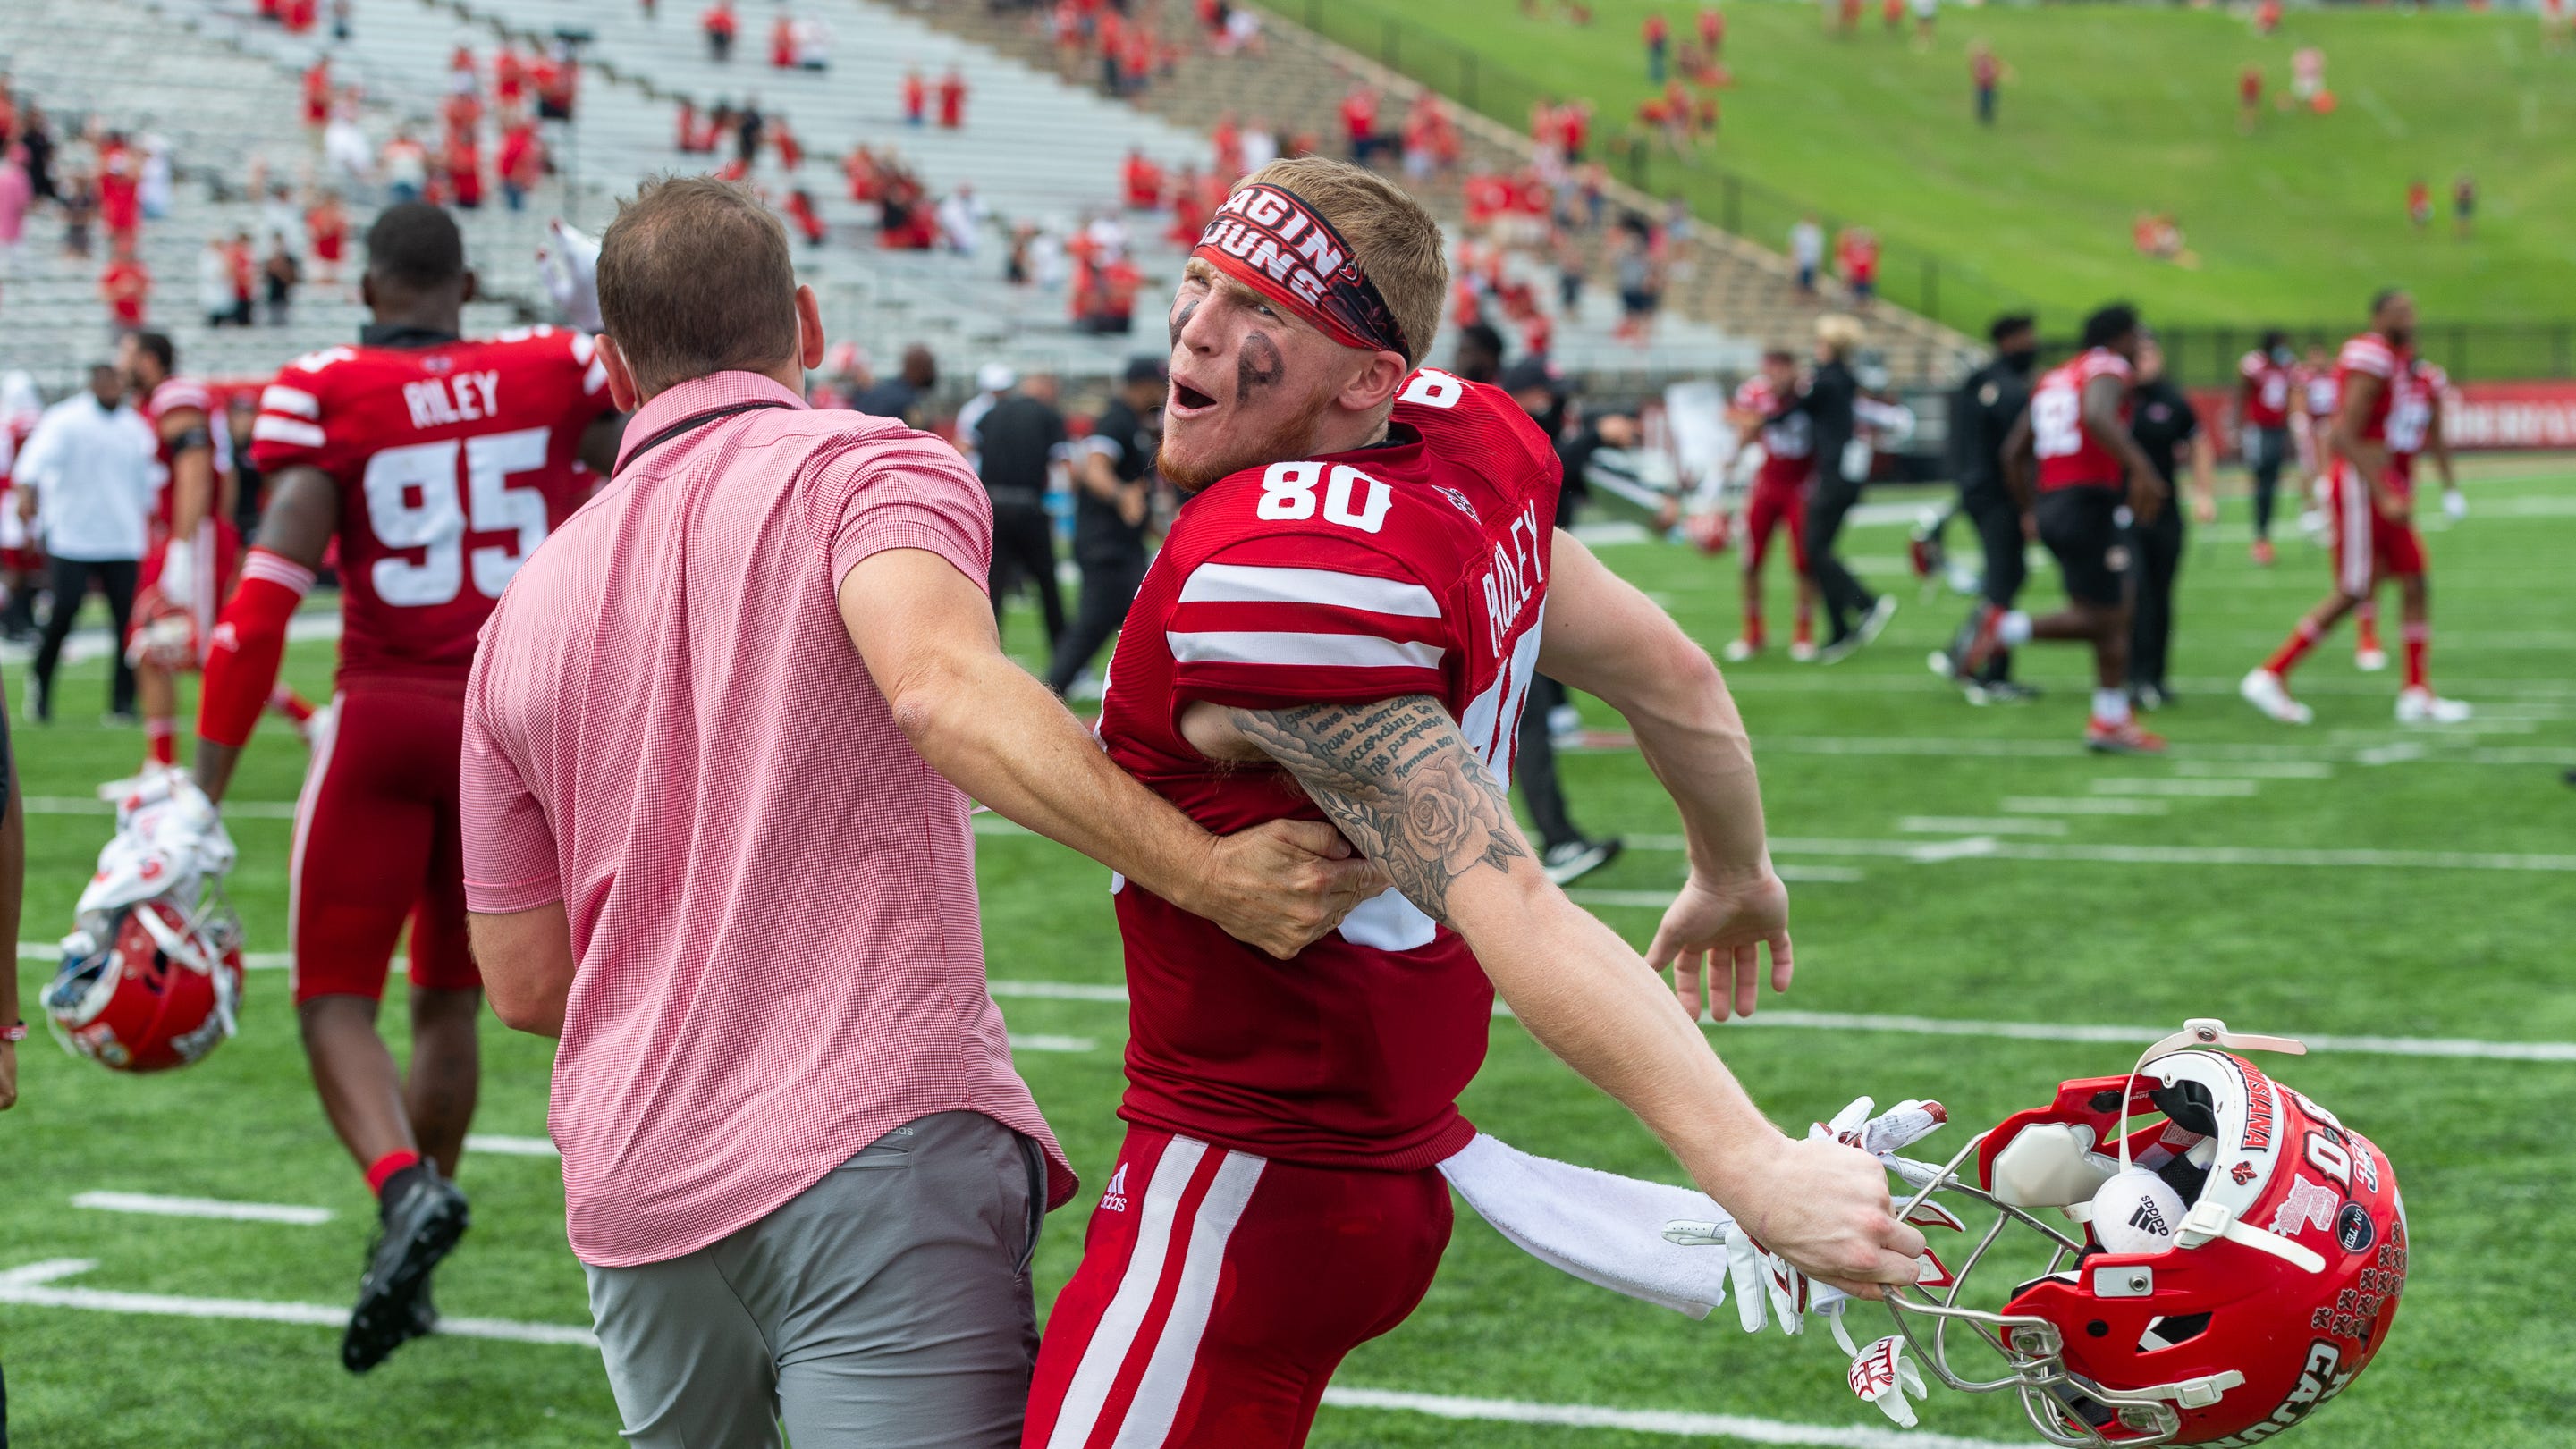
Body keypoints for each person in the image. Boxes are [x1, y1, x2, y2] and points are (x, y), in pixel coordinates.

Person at [458, 174, 1376, 1446]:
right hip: (868, 1133)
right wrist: (1209, 876)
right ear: (809, 324)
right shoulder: (866, 465)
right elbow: (941, 688)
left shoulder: (521, 609)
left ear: (612, 370)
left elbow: (521, 980)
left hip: (634, 1180)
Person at [1024, 157, 1923, 1448]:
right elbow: (1668, 674)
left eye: (1261, 312)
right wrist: (1734, 868)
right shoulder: (1459, 446)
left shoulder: (1284, 574)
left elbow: (1513, 896)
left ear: (1369, 381)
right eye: (1202, 283)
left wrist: (1752, 1165)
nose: (1198, 327)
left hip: (1244, 1181)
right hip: (1384, 1165)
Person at [189, 203, 628, 1375]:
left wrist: (201, 790)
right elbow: (659, 440)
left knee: (334, 995)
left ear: (369, 286)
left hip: (386, 714)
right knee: (448, 999)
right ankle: (419, 1242)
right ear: (467, 285)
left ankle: (400, 1194)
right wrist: (597, 317)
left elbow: (267, 597)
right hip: (518, 730)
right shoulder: (544, 372)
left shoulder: (329, 389)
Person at [2242, 289, 2470, 727]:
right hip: (2365, 490)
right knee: (2354, 589)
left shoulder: (2404, 365)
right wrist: (2384, 490)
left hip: (2386, 488)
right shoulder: (2373, 357)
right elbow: (2345, 435)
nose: (2411, 317)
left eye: (2413, 309)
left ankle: (2416, 691)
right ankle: (2271, 674)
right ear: (2380, 316)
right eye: (2401, 310)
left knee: (2416, 580)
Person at [1972, 302, 2165, 753]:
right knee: (2109, 616)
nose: (2140, 347)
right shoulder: (2106, 366)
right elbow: (2098, 416)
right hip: (2088, 501)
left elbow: (2012, 454)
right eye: (2137, 337)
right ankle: (2004, 628)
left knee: (2115, 610)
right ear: (2120, 337)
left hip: (2057, 500)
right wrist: (2142, 469)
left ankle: (2110, 719)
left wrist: (2031, 509)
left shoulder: (2056, 376)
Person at [1501, 354, 1626, 884]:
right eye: (1547, 395)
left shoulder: (1527, 420)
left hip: (1523, 585)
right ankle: (1554, 841)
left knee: (1528, 723)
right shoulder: (1508, 427)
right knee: (1521, 726)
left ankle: (1556, 839)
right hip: (1507, 588)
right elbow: (1548, 463)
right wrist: (1597, 435)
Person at [119, 332, 233, 773]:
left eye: (127, 355)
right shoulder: (157, 403)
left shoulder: (176, 397)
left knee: (198, 650)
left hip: (191, 538)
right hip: (181, 535)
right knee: (150, 645)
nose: (122, 364)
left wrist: (184, 548)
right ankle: (160, 765)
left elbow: (197, 474)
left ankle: (308, 721)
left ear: (148, 360)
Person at [17, 364, 156, 723]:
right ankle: (41, 684)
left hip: (123, 536)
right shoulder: (65, 419)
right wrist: (26, 498)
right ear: (92, 383)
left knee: (127, 622)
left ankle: (122, 703)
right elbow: (32, 464)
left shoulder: (134, 425)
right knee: (64, 612)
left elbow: (149, 481)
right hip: (73, 534)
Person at [1774, 313, 1896, 662]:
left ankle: (1866, 603)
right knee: (1818, 549)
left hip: (1835, 475)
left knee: (1814, 548)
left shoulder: (1827, 379)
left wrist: (1761, 417)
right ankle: (1840, 627)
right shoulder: (1840, 378)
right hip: (1842, 473)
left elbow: (1791, 412)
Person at [1930, 313, 2038, 702]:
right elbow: (2016, 456)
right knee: (2003, 581)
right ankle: (1987, 670)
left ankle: (1962, 653)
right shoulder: (2008, 388)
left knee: (2005, 577)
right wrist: (2028, 505)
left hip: (1977, 491)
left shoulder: (1980, 380)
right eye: (2028, 337)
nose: (2033, 343)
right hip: (1998, 494)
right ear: (2010, 340)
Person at [1047, 358, 1161, 698]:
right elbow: (1093, 469)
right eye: (1157, 387)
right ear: (1141, 386)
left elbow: (1136, 501)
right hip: (1107, 547)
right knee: (1116, 625)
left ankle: (1053, 694)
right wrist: (1121, 494)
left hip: (1121, 546)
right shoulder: (1117, 420)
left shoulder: (1132, 422)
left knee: (1134, 626)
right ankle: (1047, 695)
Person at [2123, 335, 2216, 711]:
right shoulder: (2115, 397)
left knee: (2161, 596)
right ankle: (2133, 677)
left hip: (2164, 511)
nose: (2146, 361)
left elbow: (2199, 442)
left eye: (2151, 353)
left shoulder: (2171, 399)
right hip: (2125, 513)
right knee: (2136, 594)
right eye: (2139, 354)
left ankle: (2157, 677)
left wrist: (2203, 493)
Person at [1723, 349, 1818, 662]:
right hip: (1767, 481)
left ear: (1793, 369)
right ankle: (1753, 632)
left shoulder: (1810, 391)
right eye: (1770, 370)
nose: (1774, 377)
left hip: (1802, 484)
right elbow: (1736, 419)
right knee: (1750, 560)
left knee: (1804, 561)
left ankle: (1804, 631)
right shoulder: (1756, 391)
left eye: (1781, 370)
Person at [974, 371, 1068, 653]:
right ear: (1046, 388)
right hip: (1028, 507)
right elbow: (1062, 463)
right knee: (1047, 583)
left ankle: (984, 650)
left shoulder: (993, 413)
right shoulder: (1047, 415)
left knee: (993, 587)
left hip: (993, 508)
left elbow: (969, 447)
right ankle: (1063, 652)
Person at [2238, 329, 2294, 565]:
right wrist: (2238, 426)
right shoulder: (2254, 365)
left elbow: (2291, 395)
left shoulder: (2287, 365)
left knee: (2271, 483)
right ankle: (2260, 538)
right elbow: (2242, 394)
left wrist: (2291, 428)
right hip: (2258, 429)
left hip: (2278, 429)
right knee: (2262, 481)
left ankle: (2264, 538)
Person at [853, 342, 935, 427]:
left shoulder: (875, 390)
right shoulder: (909, 401)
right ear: (918, 369)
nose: (932, 373)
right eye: (929, 367)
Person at [1789, 213, 1822, 294]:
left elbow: (1818, 251)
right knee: (1799, 283)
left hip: (1811, 263)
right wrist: (1793, 260)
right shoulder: (1800, 230)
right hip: (1801, 261)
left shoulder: (1817, 233)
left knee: (1808, 285)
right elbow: (1795, 246)